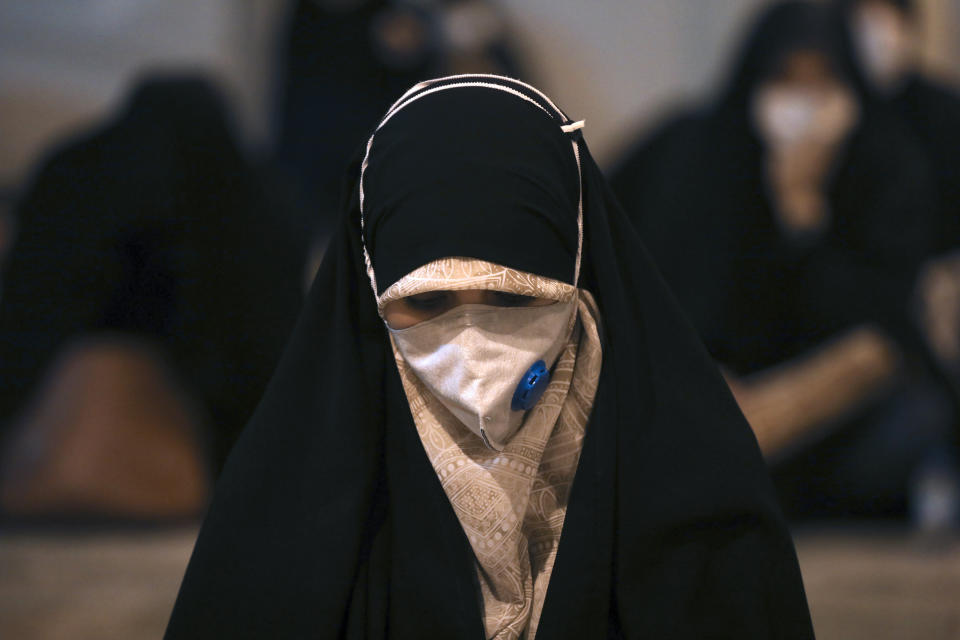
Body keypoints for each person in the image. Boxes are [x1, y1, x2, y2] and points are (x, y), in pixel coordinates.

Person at [165, 75, 813, 638]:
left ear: (580, 274)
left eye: (512, 299)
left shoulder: (697, 498)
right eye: (428, 303)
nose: (472, 348)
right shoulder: (287, 522)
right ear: (370, 295)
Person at [609, 1, 953, 520]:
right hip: (716, 391)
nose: (804, 105)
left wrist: (803, 222)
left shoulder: (883, 164)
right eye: (787, 82)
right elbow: (674, 293)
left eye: (822, 84)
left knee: (914, 421)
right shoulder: (701, 157)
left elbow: (881, 318)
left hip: (830, 410)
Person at [0, 75, 308, 492]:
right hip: (210, 450)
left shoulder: (71, 174)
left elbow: (28, 317)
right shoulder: (260, 198)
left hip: (51, 437)